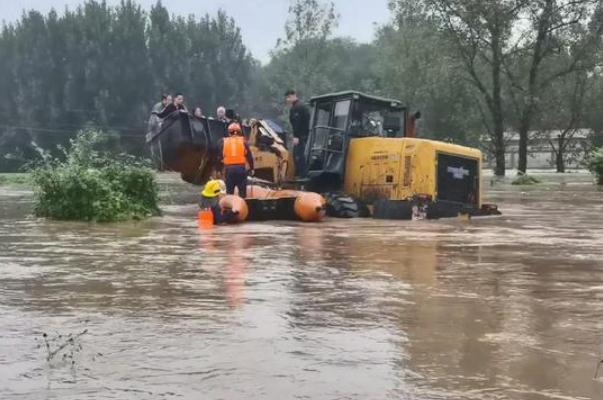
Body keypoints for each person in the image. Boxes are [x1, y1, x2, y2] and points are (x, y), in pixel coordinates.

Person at [219, 123, 255, 198]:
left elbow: (219, 157)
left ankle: (230, 208)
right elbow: (249, 156)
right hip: (241, 169)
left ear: (229, 132)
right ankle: (242, 206)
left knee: (229, 193)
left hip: (229, 170)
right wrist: (252, 168)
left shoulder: (223, 142)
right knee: (242, 193)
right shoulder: (243, 141)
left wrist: (218, 170)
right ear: (239, 132)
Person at [285, 89, 310, 176]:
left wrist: (296, 136)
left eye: (288, 98)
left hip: (301, 137)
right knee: (300, 154)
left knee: (298, 156)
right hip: (306, 136)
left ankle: (301, 175)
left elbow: (297, 124)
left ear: (292, 96)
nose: (287, 100)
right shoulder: (303, 106)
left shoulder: (297, 108)